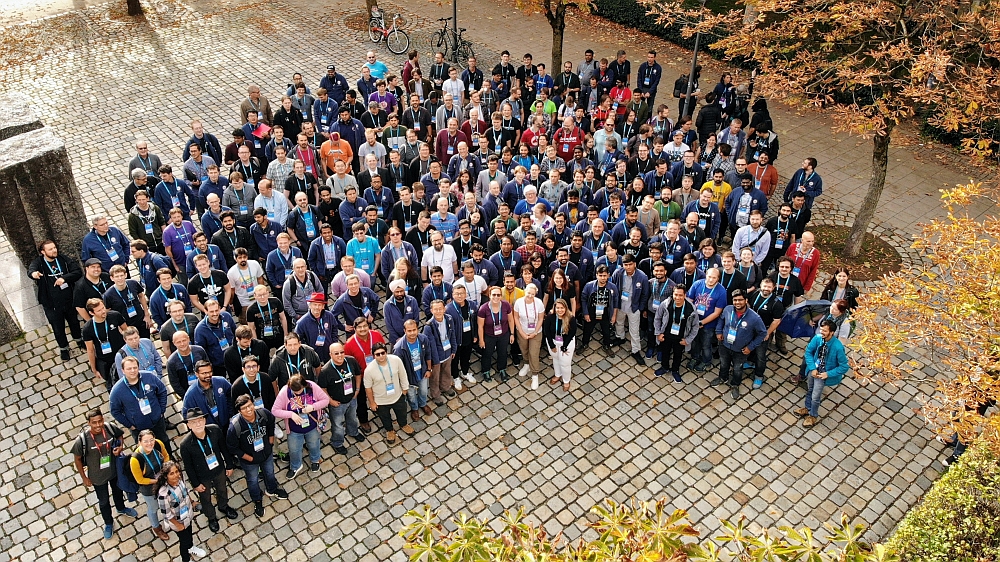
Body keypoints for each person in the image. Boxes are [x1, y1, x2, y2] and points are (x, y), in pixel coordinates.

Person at [71, 408, 138, 540]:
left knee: (118, 491)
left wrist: (120, 447)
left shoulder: (109, 428)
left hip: (114, 470)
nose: (98, 425)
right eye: (94, 422)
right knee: (103, 501)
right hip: (97, 476)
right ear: (88, 423)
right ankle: (108, 523)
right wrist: (84, 477)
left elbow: (120, 435)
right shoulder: (83, 440)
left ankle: (121, 507)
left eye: (100, 421)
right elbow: (77, 459)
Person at [226, 395, 288, 517]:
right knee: (252, 480)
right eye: (244, 408)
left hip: (266, 452)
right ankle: (257, 500)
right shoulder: (235, 427)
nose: (248, 410)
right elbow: (232, 447)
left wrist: (270, 442)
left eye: (250, 405)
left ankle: (272, 489)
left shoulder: (263, 413)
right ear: (239, 411)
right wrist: (249, 458)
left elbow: (271, 424)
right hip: (250, 460)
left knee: (270, 472)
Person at [178, 408, 237, 534]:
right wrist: (195, 484)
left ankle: (223, 506)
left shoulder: (215, 430)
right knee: (205, 498)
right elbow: (188, 467)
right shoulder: (185, 444)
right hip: (202, 476)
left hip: (218, 469)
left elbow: (223, 449)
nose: (198, 424)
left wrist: (229, 465)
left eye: (200, 420)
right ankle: (211, 517)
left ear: (205, 420)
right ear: (188, 425)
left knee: (222, 489)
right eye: (194, 422)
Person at [29, 239, 84, 359]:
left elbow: (77, 272)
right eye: (50, 249)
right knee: (58, 328)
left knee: (74, 322)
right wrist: (34, 274)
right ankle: (64, 348)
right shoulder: (39, 263)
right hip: (51, 304)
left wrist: (64, 278)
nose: (54, 250)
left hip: (68, 300)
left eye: (54, 248)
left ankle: (79, 339)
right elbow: (31, 270)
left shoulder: (63, 259)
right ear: (43, 252)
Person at [711, 289, 767, 399]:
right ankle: (723, 377)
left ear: (746, 300)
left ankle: (735, 384)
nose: (737, 302)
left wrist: (750, 347)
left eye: (740, 300)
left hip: (741, 350)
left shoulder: (754, 318)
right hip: (724, 344)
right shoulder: (727, 309)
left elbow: (762, 334)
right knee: (723, 363)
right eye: (735, 300)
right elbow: (721, 320)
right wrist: (718, 331)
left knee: (737, 368)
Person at [272, 373, 330, 478]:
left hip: (312, 426)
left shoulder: (312, 386)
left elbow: (325, 400)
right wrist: (291, 414)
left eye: (300, 390)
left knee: (314, 444)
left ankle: (315, 459)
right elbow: (275, 411)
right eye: (295, 391)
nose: (298, 393)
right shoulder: (285, 392)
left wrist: (313, 407)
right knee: (294, 449)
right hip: (294, 429)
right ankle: (295, 466)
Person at [795, 319, 849, 428]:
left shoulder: (838, 347)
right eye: (821, 329)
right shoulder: (818, 338)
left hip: (823, 374)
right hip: (814, 370)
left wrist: (827, 374)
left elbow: (844, 366)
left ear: (832, 332)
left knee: (816, 396)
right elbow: (808, 352)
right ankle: (807, 408)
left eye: (824, 330)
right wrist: (812, 368)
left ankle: (813, 415)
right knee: (810, 390)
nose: (821, 332)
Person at [110, 354, 171, 451]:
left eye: (135, 367)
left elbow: (162, 391)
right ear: (123, 371)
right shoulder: (117, 390)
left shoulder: (149, 377)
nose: (133, 371)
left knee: (164, 441)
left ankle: (169, 458)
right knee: (145, 449)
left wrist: (161, 410)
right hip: (138, 428)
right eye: (129, 368)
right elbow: (115, 411)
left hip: (157, 421)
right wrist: (130, 425)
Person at [317, 342, 366, 454]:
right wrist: (331, 401)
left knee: (353, 418)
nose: (340, 355)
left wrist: (357, 389)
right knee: (338, 425)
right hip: (337, 403)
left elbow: (358, 374)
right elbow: (322, 388)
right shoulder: (326, 371)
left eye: (342, 352)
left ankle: (353, 432)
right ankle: (337, 442)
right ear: (330, 354)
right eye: (336, 353)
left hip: (352, 398)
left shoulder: (351, 361)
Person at [155, 461, 207, 561]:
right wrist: (178, 525)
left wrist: (192, 502)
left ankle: (191, 548)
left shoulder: (180, 481)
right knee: (184, 541)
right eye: (172, 473)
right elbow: (167, 514)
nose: (176, 475)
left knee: (189, 534)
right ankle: (185, 559)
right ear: (166, 476)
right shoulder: (163, 494)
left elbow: (185, 493)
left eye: (177, 472)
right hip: (178, 522)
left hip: (187, 515)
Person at [364, 342, 413, 443]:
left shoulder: (395, 360)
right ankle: (389, 431)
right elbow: (368, 388)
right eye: (378, 354)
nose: (381, 356)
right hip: (381, 401)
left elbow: (402, 374)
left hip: (398, 395)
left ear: (386, 352)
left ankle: (403, 424)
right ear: (374, 356)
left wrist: (405, 389)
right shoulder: (369, 370)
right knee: (385, 418)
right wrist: (372, 403)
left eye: (383, 353)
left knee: (402, 413)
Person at [129, 429, 170, 540]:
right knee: (153, 508)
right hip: (149, 487)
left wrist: (166, 469)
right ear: (139, 442)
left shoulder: (158, 444)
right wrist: (157, 481)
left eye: (151, 440)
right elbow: (140, 480)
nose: (149, 443)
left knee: (167, 499)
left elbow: (166, 456)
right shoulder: (135, 459)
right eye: (145, 441)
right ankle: (156, 527)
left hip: (162, 480)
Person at [653, 285, 699, 383]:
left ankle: (675, 370)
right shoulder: (665, 304)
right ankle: (664, 367)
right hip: (666, 335)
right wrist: (658, 333)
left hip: (681, 338)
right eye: (675, 294)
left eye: (680, 295)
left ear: (685, 295)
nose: (677, 298)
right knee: (665, 352)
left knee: (678, 355)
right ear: (672, 294)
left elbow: (695, 326)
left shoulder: (691, 308)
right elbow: (657, 318)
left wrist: (688, 340)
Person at [686, 268, 728, 371]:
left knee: (706, 344)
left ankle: (706, 361)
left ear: (718, 278)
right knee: (695, 342)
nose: (711, 279)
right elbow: (689, 300)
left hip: (709, 324)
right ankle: (695, 358)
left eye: (714, 277)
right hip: (694, 321)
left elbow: (717, 312)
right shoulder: (697, 284)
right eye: (709, 276)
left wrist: (702, 322)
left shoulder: (721, 291)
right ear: (706, 275)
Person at [611, 255, 649, 365]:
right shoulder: (617, 273)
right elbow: (612, 287)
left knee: (634, 330)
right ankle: (620, 337)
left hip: (634, 307)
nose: (628, 267)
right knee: (619, 323)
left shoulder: (642, 277)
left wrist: (640, 308)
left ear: (635, 264)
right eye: (625, 265)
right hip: (620, 305)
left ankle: (635, 350)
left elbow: (645, 294)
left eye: (630, 264)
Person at [394, 319, 433, 420]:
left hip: (423, 371)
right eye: (409, 330)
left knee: (424, 391)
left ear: (417, 329)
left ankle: (423, 403)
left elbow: (428, 354)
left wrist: (429, 369)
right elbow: (398, 367)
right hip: (409, 376)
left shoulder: (423, 339)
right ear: (405, 331)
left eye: (414, 330)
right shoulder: (399, 348)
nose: (412, 333)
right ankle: (414, 408)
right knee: (411, 395)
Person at [182, 360, 234, 433]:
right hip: (209, 430)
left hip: (226, 423)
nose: (208, 375)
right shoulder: (190, 394)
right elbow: (187, 416)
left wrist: (230, 413)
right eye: (204, 373)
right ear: (196, 374)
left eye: (209, 372)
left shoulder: (221, 381)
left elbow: (231, 395)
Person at [478, 285, 515, 382]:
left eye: (498, 295)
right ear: (489, 295)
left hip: (504, 334)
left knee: (503, 353)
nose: (496, 297)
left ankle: (502, 369)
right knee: (487, 354)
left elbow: (511, 320)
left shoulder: (506, 305)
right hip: (489, 336)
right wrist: (481, 340)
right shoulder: (483, 309)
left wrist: (512, 334)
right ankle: (486, 371)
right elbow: (480, 326)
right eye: (494, 294)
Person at [424, 299, 458, 404]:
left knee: (447, 371)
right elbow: (431, 346)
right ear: (431, 310)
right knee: (435, 376)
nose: (438, 311)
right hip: (436, 356)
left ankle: (445, 386)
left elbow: (452, 335)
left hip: (447, 352)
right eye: (436, 309)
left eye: (440, 309)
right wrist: (436, 360)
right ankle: (435, 394)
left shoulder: (449, 319)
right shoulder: (428, 326)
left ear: (444, 309)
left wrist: (454, 349)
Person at [512, 283, 545, 389]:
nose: (530, 296)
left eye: (533, 294)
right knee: (524, 349)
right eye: (528, 293)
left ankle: (535, 375)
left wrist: (535, 332)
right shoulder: (518, 302)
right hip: (522, 330)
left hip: (536, 332)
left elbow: (540, 318)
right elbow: (516, 318)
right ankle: (526, 364)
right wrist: (521, 332)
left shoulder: (539, 303)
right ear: (524, 291)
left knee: (534, 353)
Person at [581, 265, 619, 353]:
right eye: (600, 275)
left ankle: (606, 345)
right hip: (592, 312)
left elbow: (616, 302)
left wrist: (614, 316)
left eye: (605, 275)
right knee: (587, 330)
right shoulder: (589, 286)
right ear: (596, 275)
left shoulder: (613, 287)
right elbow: (583, 299)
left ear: (608, 275)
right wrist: (586, 313)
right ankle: (584, 344)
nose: (603, 278)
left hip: (606, 313)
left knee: (606, 331)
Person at [542, 298, 577, 391]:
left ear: (566, 308)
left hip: (567, 343)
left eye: (562, 308)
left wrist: (564, 346)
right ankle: (558, 375)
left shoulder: (571, 318)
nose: (560, 310)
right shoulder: (550, 317)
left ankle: (566, 381)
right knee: (556, 359)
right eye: (557, 308)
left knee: (565, 363)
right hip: (553, 341)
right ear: (554, 308)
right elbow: (547, 331)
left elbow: (572, 333)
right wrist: (551, 345)